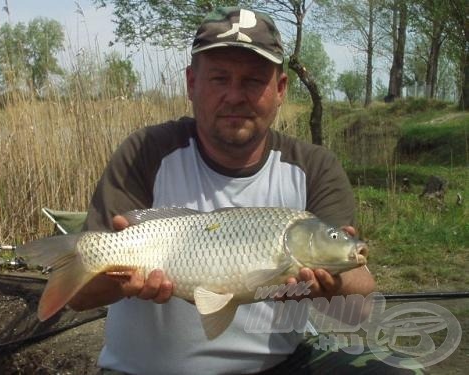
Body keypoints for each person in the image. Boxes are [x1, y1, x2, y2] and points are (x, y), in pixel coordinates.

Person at [69, 6, 420, 375]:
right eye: (220, 79)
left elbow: (360, 306)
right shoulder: (146, 152)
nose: (235, 96)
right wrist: (124, 283)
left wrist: (333, 283)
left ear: (281, 89)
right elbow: (79, 296)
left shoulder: (314, 167)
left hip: (278, 366)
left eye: (253, 81)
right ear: (192, 83)